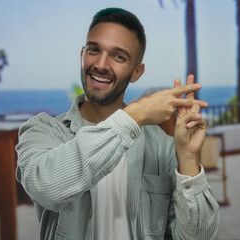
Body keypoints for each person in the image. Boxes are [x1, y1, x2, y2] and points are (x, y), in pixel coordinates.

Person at [16, 7, 220, 240]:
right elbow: (47, 187)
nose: (101, 65)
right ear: (83, 54)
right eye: (94, 50)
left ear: (136, 72)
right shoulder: (43, 130)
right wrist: (135, 116)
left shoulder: (163, 147)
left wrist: (187, 159)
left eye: (118, 56)